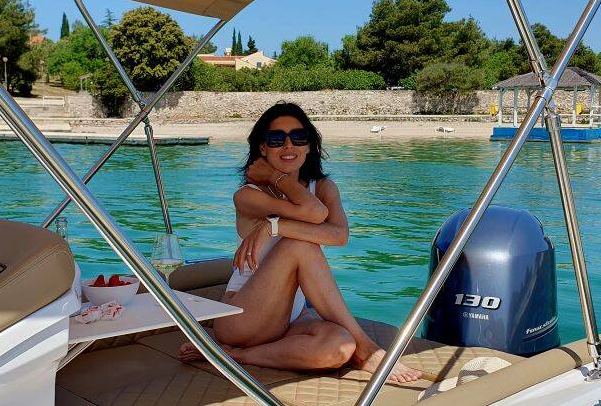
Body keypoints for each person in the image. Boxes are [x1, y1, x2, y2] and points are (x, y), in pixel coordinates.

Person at [179, 101, 421, 383]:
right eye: (276, 139)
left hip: (291, 317)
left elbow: (339, 236)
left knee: (339, 347)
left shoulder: (324, 187)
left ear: (309, 146)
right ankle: (367, 348)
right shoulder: (248, 195)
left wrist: (273, 226)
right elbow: (315, 213)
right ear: (263, 148)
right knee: (299, 244)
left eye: (298, 137)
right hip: (242, 318)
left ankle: (235, 356)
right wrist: (275, 178)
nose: (288, 145)